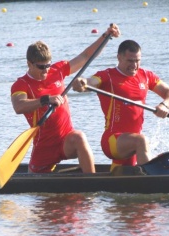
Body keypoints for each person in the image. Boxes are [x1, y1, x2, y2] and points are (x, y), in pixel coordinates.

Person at [10, 24, 121, 173]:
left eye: (48, 65)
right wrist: (45, 99)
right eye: (41, 67)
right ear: (29, 63)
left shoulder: (57, 70)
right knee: (37, 191)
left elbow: (86, 56)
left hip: (66, 139)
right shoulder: (21, 84)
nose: (46, 70)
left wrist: (105, 37)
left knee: (80, 137)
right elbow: (19, 106)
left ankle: (92, 185)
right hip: (44, 146)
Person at [72, 39, 169, 171]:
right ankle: (150, 185)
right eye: (130, 61)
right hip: (112, 140)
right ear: (119, 57)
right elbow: (90, 82)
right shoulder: (107, 76)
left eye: (137, 60)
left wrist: (165, 105)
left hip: (131, 142)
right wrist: (82, 82)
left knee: (122, 175)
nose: (134, 65)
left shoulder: (146, 76)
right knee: (142, 141)